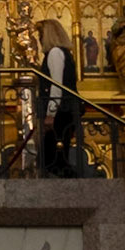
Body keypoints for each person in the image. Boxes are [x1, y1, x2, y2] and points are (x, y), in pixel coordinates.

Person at [38, 19, 80, 176]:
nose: (39, 38)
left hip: (61, 112)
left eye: (41, 34)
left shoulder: (55, 53)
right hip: (66, 110)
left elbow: (56, 86)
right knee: (56, 155)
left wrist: (50, 114)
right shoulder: (64, 53)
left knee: (53, 157)